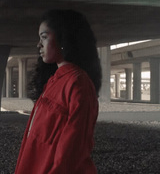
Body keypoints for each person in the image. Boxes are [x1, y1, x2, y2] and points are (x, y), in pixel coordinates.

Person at [15, 9, 102, 174]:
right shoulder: (55, 81)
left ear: (64, 38)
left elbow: (72, 152)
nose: (38, 45)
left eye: (44, 37)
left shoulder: (78, 84)